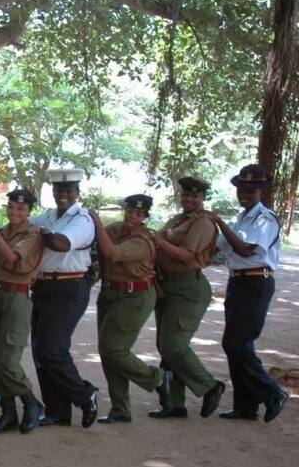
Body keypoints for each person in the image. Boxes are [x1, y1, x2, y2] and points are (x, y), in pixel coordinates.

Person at [210, 164, 289, 422]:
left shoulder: (265, 219)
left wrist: (219, 222)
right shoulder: (240, 219)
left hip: (256, 282)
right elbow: (217, 252)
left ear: (261, 191)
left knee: (236, 343)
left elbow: (244, 250)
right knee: (236, 344)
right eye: (241, 188)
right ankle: (246, 406)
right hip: (237, 282)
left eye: (251, 189)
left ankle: (272, 392)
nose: (245, 193)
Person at [149, 176, 225, 419]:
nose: (189, 199)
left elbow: (187, 256)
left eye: (195, 196)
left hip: (187, 287)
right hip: (166, 285)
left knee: (174, 345)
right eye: (185, 195)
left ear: (203, 198)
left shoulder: (203, 223)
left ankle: (211, 386)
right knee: (165, 346)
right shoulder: (178, 219)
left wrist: (158, 240)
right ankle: (173, 404)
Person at [28, 168, 99, 428]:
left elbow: (61, 244)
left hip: (70, 287)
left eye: (69, 190)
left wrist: (41, 234)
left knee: (53, 350)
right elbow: (24, 229)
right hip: (43, 287)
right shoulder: (46, 216)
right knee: (39, 351)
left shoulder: (82, 219)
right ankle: (58, 411)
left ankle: (84, 394)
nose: (63, 194)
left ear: (78, 193)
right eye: (59, 190)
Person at [0, 188, 46, 435]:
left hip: (17, 296)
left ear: (29, 211)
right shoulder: (4, 232)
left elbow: (14, 259)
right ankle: (8, 413)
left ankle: (31, 402)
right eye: (12, 207)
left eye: (21, 208)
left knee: (7, 360)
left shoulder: (33, 234)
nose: (15, 212)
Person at [89, 195, 164, 423]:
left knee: (113, 349)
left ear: (145, 217)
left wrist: (96, 220)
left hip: (135, 296)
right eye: (130, 211)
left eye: (139, 214)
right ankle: (120, 409)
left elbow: (111, 252)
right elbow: (96, 242)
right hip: (110, 293)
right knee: (108, 352)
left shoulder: (142, 240)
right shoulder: (116, 229)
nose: (133, 216)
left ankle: (157, 379)